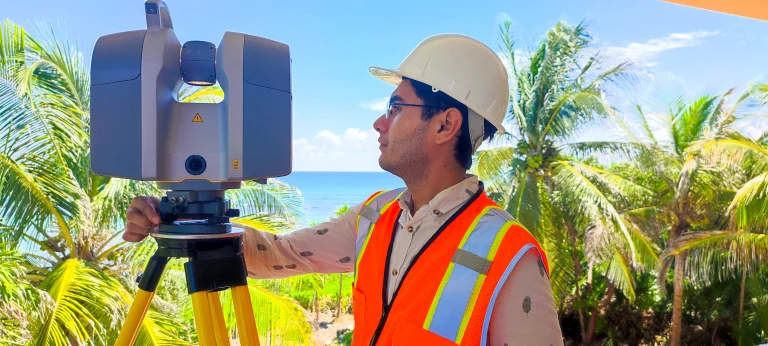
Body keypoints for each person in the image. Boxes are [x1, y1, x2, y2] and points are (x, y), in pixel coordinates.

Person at [124, 34, 564, 346]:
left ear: (446, 124)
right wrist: (180, 221)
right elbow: (278, 255)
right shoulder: (374, 218)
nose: (379, 122)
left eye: (395, 107)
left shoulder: (511, 258)